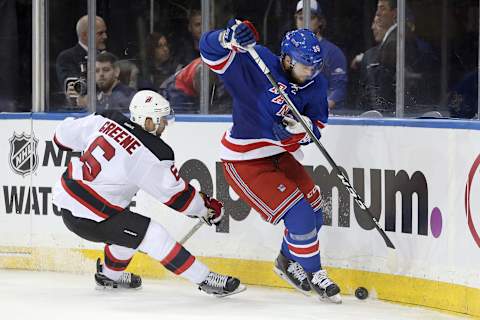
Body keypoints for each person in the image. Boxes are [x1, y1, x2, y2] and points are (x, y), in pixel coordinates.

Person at [199, 20, 342, 303]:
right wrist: (226, 38)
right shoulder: (257, 61)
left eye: (315, 66)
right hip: (245, 159)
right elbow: (208, 50)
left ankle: (286, 262)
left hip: (278, 153)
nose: (310, 72)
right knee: (299, 212)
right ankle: (316, 273)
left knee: (315, 210)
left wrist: (296, 132)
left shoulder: (316, 84)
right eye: (304, 66)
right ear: (287, 59)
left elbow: (315, 130)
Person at [51, 89, 245, 296]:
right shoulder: (151, 151)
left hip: (68, 206)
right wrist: (205, 209)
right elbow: (177, 196)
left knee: (128, 232)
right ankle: (206, 280)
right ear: (148, 121)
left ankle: (108, 276)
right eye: (161, 120)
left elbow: (60, 137)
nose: (165, 124)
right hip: (93, 216)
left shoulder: (104, 119)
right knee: (152, 234)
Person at [294, 0, 347, 111]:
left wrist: (320, 108)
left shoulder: (333, 52)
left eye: (311, 18)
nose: (305, 22)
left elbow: (339, 88)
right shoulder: (288, 52)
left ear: (320, 22)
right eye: (300, 18)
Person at [56, 15, 108, 105]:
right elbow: (76, 89)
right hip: (80, 113)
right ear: (85, 35)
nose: (105, 36)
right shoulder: (67, 57)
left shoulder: (107, 56)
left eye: (105, 32)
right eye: (100, 33)